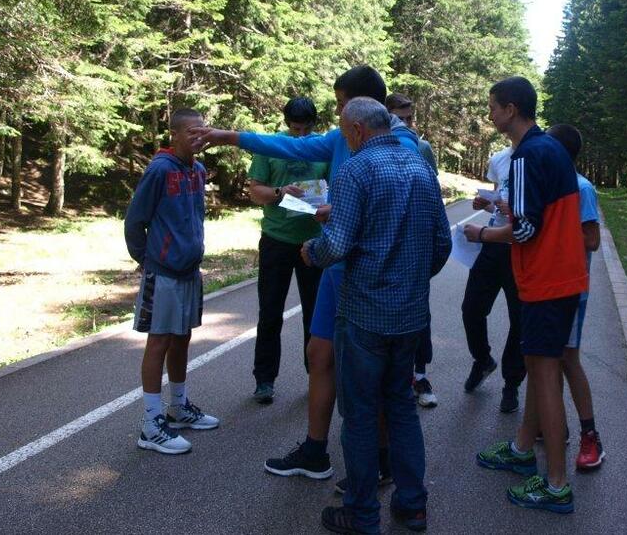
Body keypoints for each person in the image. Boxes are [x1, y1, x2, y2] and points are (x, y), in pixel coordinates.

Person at [189, 65, 421, 483]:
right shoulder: (339, 140)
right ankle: (316, 451)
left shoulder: (403, 146)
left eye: (338, 105)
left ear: (355, 107)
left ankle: (378, 466)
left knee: (372, 375)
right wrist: (230, 136)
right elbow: (291, 148)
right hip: (336, 264)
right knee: (320, 353)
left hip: (368, 275)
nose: (335, 115)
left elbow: (410, 214)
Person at [301, 97, 451, 534]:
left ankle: (362, 513)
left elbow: (338, 244)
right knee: (401, 407)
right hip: (409, 314)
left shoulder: (355, 170)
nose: (346, 138)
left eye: (346, 131)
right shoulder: (422, 167)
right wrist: (412, 280)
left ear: (358, 131)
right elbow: (441, 242)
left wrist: (311, 252)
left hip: (365, 312)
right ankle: (413, 504)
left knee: (362, 414)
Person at [464, 77, 587, 514]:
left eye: (493, 106)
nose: (490, 114)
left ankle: (555, 484)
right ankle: (521, 451)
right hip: (562, 277)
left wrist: (480, 233)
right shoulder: (549, 149)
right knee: (540, 370)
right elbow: (536, 213)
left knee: (546, 377)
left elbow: (527, 229)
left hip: (545, 280)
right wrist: (504, 211)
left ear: (510, 109)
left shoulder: (524, 154)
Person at [124, 108, 219, 455]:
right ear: (175, 135)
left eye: (202, 131)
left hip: (189, 271)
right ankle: (151, 424)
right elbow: (135, 220)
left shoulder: (197, 170)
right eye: (191, 132)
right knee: (159, 341)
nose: (199, 137)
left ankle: (177, 408)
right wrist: (145, 260)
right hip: (163, 271)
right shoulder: (160, 169)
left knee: (182, 337)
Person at [249, 97, 328, 404]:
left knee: (315, 314)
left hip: (313, 241)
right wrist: (281, 192)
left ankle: (317, 375)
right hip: (276, 238)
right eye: (295, 129)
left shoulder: (323, 147)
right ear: (286, 123)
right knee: (270, 311)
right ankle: (264, 380)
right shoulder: (270, 146)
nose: (300, 135)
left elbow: (336, 186)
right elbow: (255, 190)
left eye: (306, 129)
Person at [546, 124, 605, 471]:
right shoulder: (552, 186)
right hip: (546, 287)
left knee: (568, 359)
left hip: (571, 288)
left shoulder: (581, 188)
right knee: (545, 360)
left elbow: (593, 239)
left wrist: (553, 230)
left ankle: (590, 436)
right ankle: (556, 429)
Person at [460, 146, 526, 413]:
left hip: (521, 249)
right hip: (493, 243)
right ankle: (483, 359)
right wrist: (486, 204)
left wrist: (511, 208)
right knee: (471, 309)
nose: (491, 114)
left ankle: (511, 384)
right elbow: (499, 206)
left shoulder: (536, 154)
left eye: (495, 107)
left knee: (519, 319)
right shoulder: (499, 158)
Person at [385, 92, 438, 408]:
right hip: (385, 249)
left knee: (420, 315)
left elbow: (432, 191)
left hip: (414, 247)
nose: (406, 125)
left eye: (410, 118)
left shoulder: (422, 148)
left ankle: (420, 374)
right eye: (400, 118)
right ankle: (396, 379)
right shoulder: (371, 149)